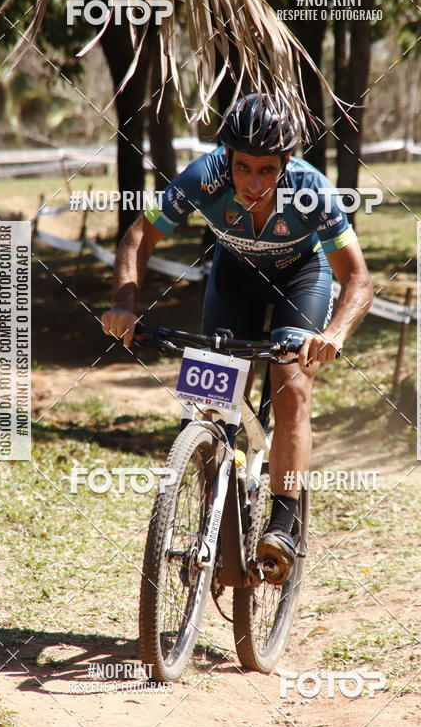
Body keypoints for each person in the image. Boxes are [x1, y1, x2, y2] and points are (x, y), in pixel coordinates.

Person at [102, 93, 373, 584]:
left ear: (286, 162)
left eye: (267, 170)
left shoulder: (312, 190)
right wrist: (124, 303)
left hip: (301, 278)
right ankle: (213, 508)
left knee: (290, 384)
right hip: (233, 277)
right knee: (209, 397)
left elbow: (358, 279)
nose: (252, 183)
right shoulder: (203, 177)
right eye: (242, 167)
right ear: (227, 156)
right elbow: (140, 236)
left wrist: (334, 333)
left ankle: (283, 523)